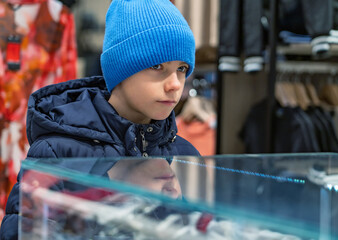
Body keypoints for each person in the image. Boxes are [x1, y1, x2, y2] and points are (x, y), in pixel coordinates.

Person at [0, 0, 199, 239]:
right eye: (157, 66)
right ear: (121, 68)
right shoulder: (57, 153)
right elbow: (24, 232)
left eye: (182, 68)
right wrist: (119, 201)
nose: (175, 84)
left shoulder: (184, 154)